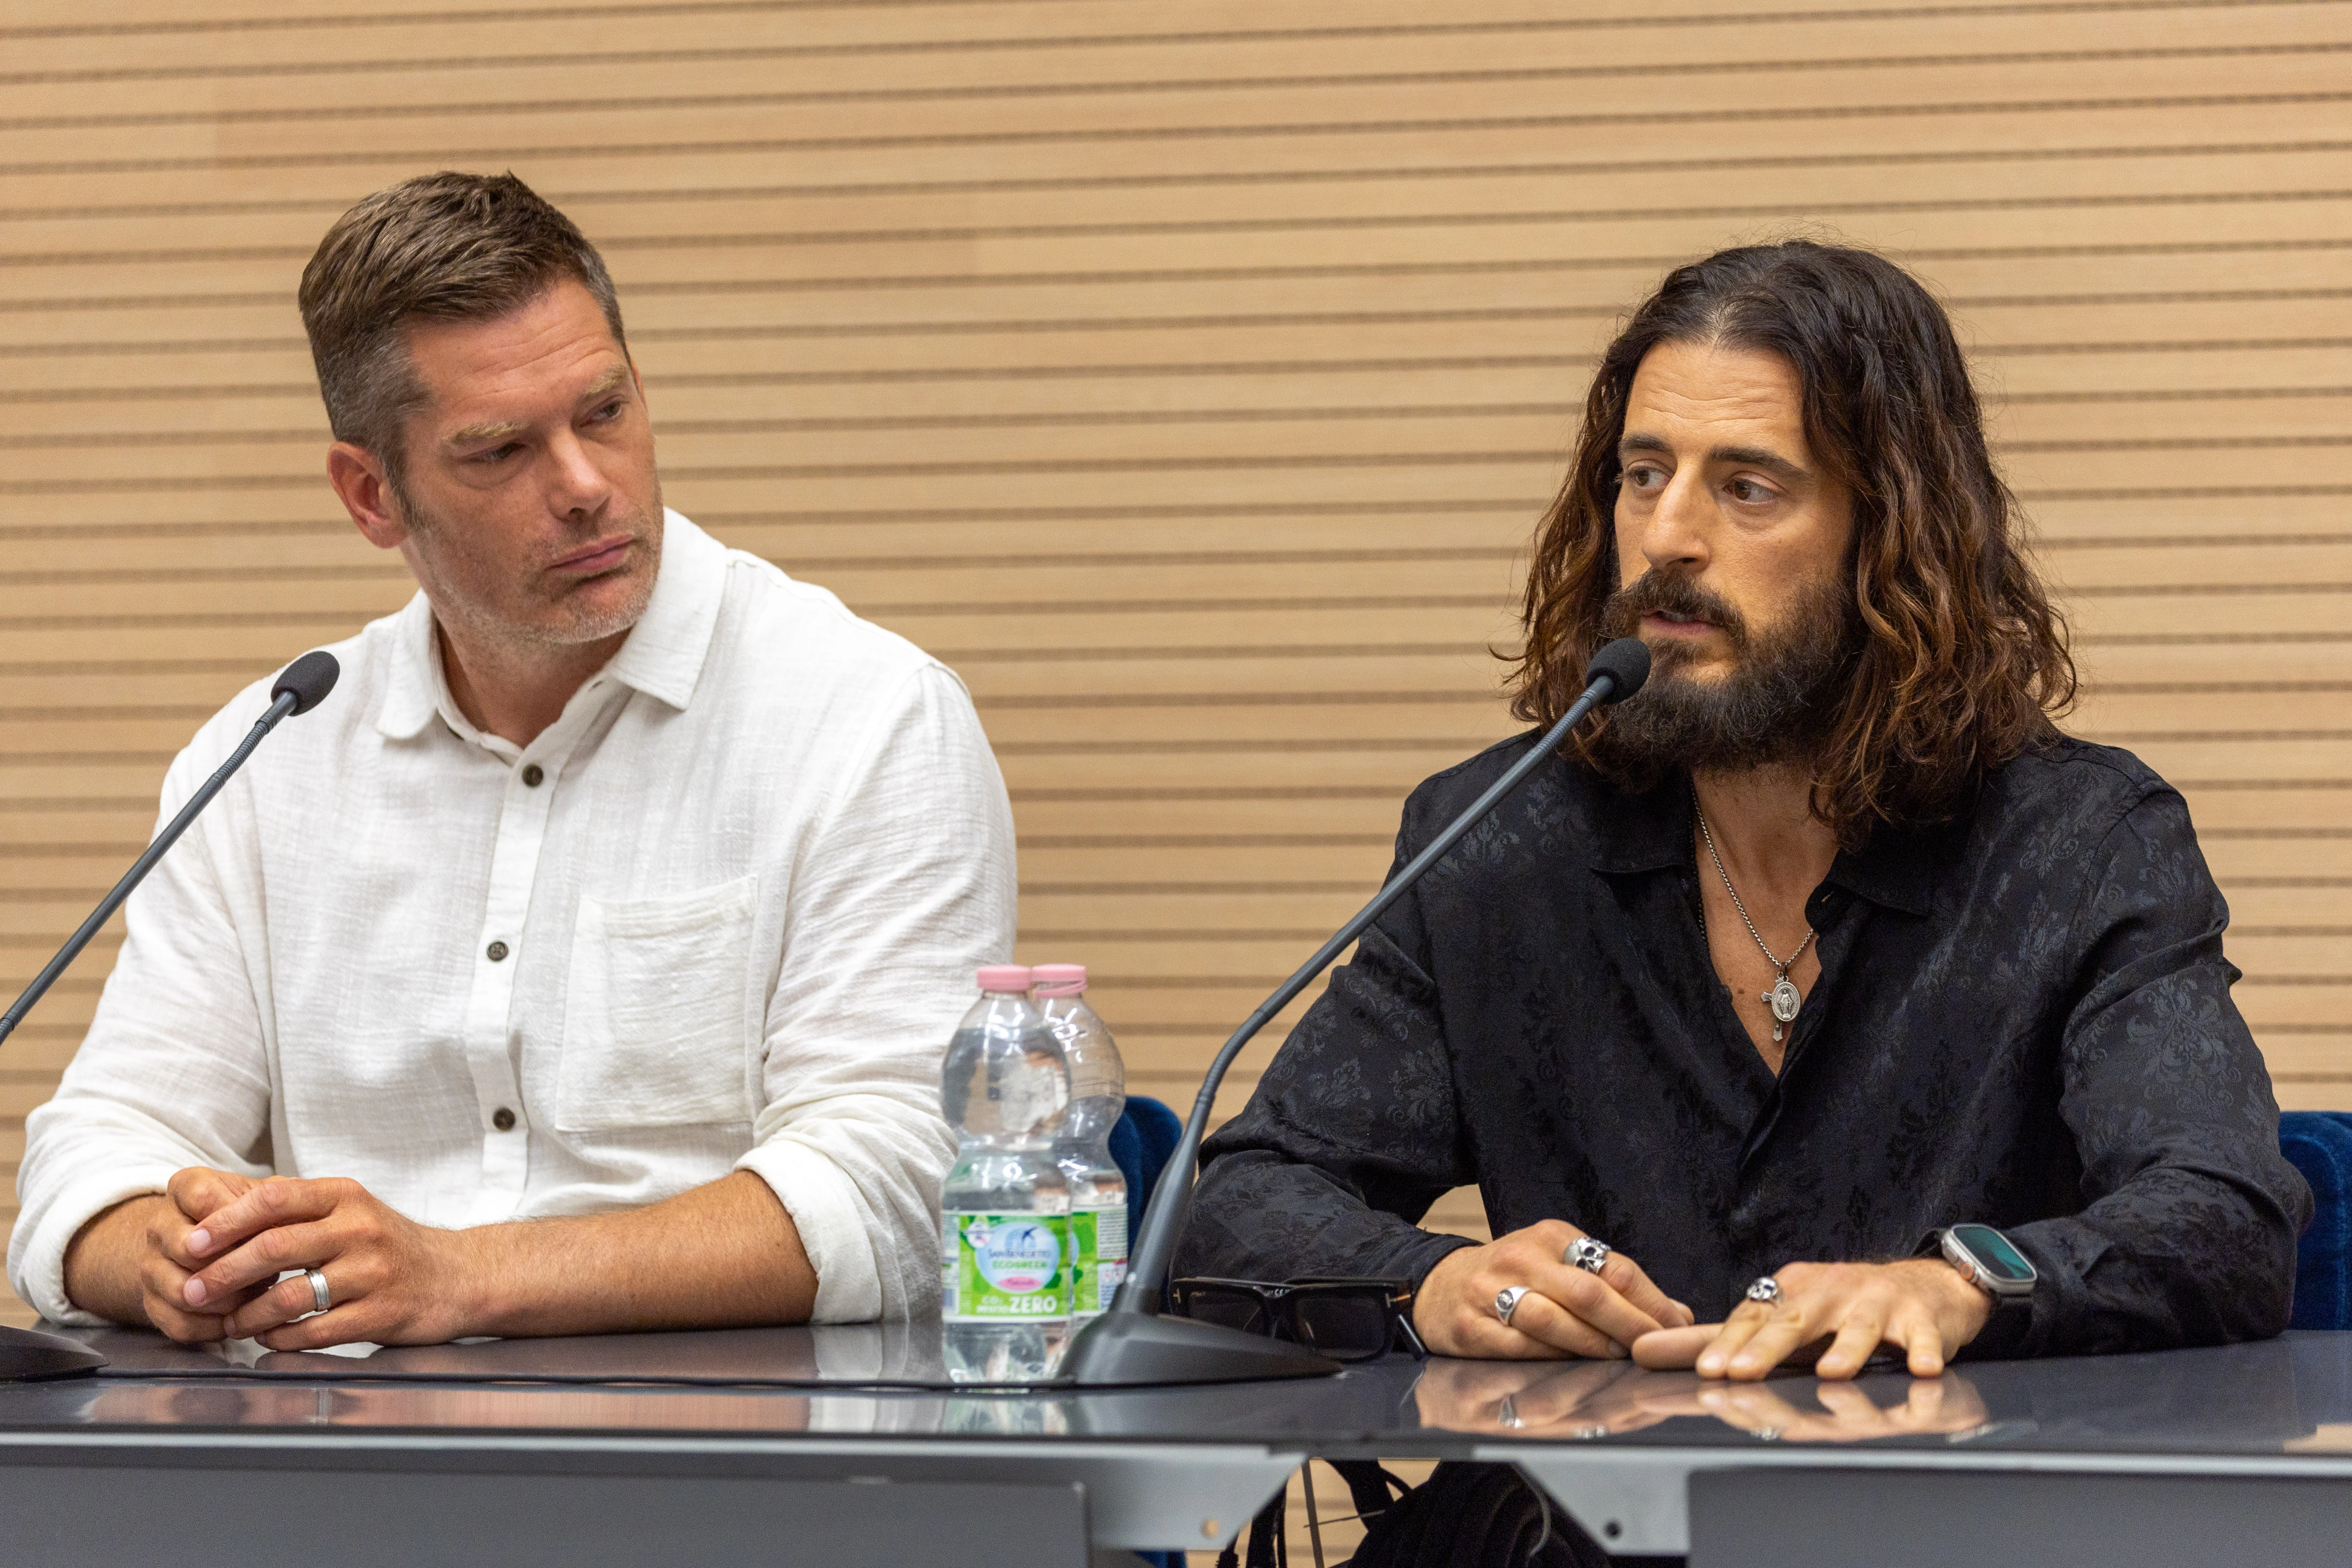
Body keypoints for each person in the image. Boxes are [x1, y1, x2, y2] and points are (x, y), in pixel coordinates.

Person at [1178, 240, 2309, 1390]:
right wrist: (1428, 1281)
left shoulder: (2080, 846)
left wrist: (1958, 1283)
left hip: (1935, 1516)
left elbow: (2221, 1213)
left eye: (1747, 486)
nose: (1668, 537)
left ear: (1892, 538)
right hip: (1574, 1525)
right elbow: (1240, 1204)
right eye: (1644, 474)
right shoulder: (1499, 840)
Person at [7, 172, 1016, 1350]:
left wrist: (462, 1276)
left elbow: (901, 1182)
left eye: (603, 413)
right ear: (371, 494)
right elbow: (96, 1152)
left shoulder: (864, 716)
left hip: (747, 1466)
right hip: (343, 1466)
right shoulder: (270, 755)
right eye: (499, 452)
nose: (586, 487)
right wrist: (181, 1256)